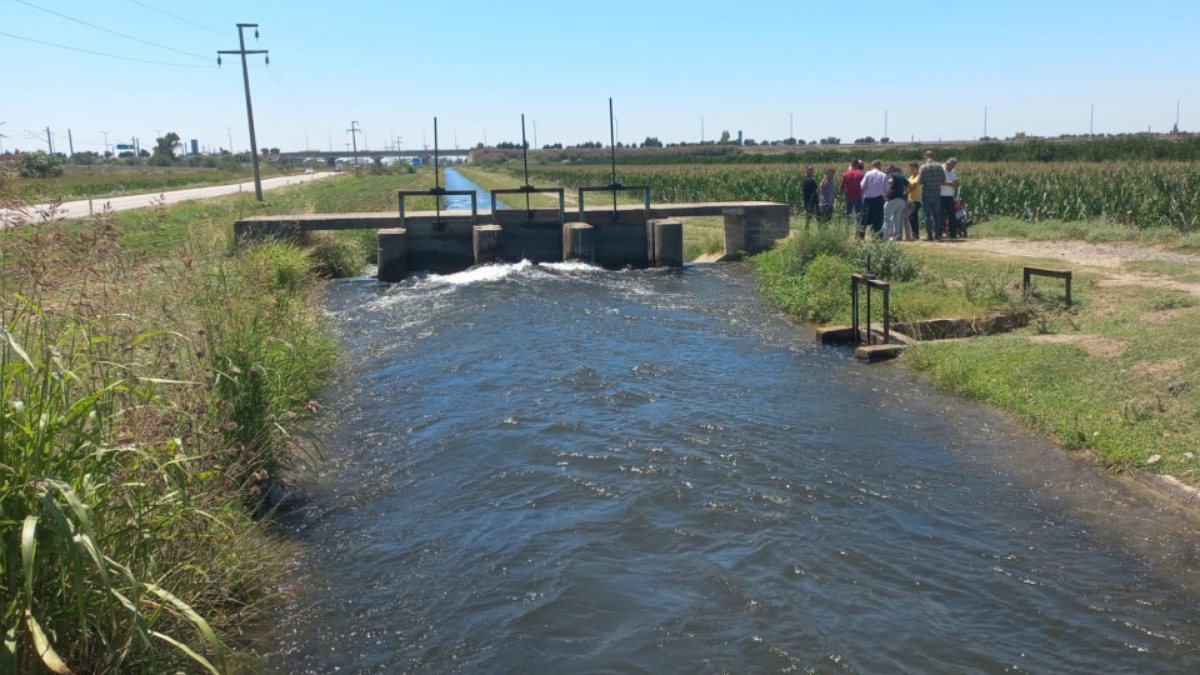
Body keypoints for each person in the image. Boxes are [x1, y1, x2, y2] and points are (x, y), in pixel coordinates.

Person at [918, 150, 946, 240]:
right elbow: (943, 180)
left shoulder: (923, 167)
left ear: (926, 156)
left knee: (928, 216)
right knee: (937, 216)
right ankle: (937, 235)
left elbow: (919, 181)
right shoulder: (939, 166)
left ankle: (929, 236)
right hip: (937, 193)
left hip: (926, 193)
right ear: (933, 156)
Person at [859, 160, 888, 238]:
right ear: (879, 166)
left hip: (868, 200)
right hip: (879, 200)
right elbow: (886, 189)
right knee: (878, 219)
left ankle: (860, 236)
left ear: (872, 165)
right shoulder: (884, 175)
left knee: (864, 219)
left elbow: (862, 186)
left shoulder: (868, 174)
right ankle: (876, 237)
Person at [883, 163, 909, 241]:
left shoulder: (891, 175)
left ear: (892, 169)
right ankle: (897, 237)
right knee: (897, 220)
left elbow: (890, 181)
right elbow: (909, 184)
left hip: (892, 200)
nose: (886, 170)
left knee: (886, 218)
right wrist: (905, 192)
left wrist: (888, 190)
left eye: (887, 169)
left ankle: (885, 237)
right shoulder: (901, 175)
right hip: (901, 200)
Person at [941, 157, 962, 238]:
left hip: (950, 197)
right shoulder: (941, 169)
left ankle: (952, 233)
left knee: (952, 216)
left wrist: (946, 182)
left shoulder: (952, 171)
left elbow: (955, 183)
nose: (953, 167)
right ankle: (940, 233)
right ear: (947, 163)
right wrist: (949, 183)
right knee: (940, 215)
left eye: (954, 166)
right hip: (941, 196)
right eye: (952, 166)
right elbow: (939, 182)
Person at [840, 159, 864, 227]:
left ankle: (847, 229)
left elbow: (842, 187)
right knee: (858, 215)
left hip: (848, 197)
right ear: (857, 164)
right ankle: (858, 231)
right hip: (858, 197)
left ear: (851, 164)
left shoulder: (845, 174)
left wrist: (846, 191)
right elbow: (864, 186)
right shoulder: (861, 174)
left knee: (848, 214)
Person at [904, 161, 922, 241]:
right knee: (912, 217)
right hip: (910, 199)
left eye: (913, 169)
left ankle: (916, 234)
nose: (911, 170)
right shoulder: (911, 176)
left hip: (916, 200)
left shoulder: (918, 176)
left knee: (912, 216)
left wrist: (906, 192)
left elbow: (913, 186)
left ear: (917, 168)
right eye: (910, 169)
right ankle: (915, 234)